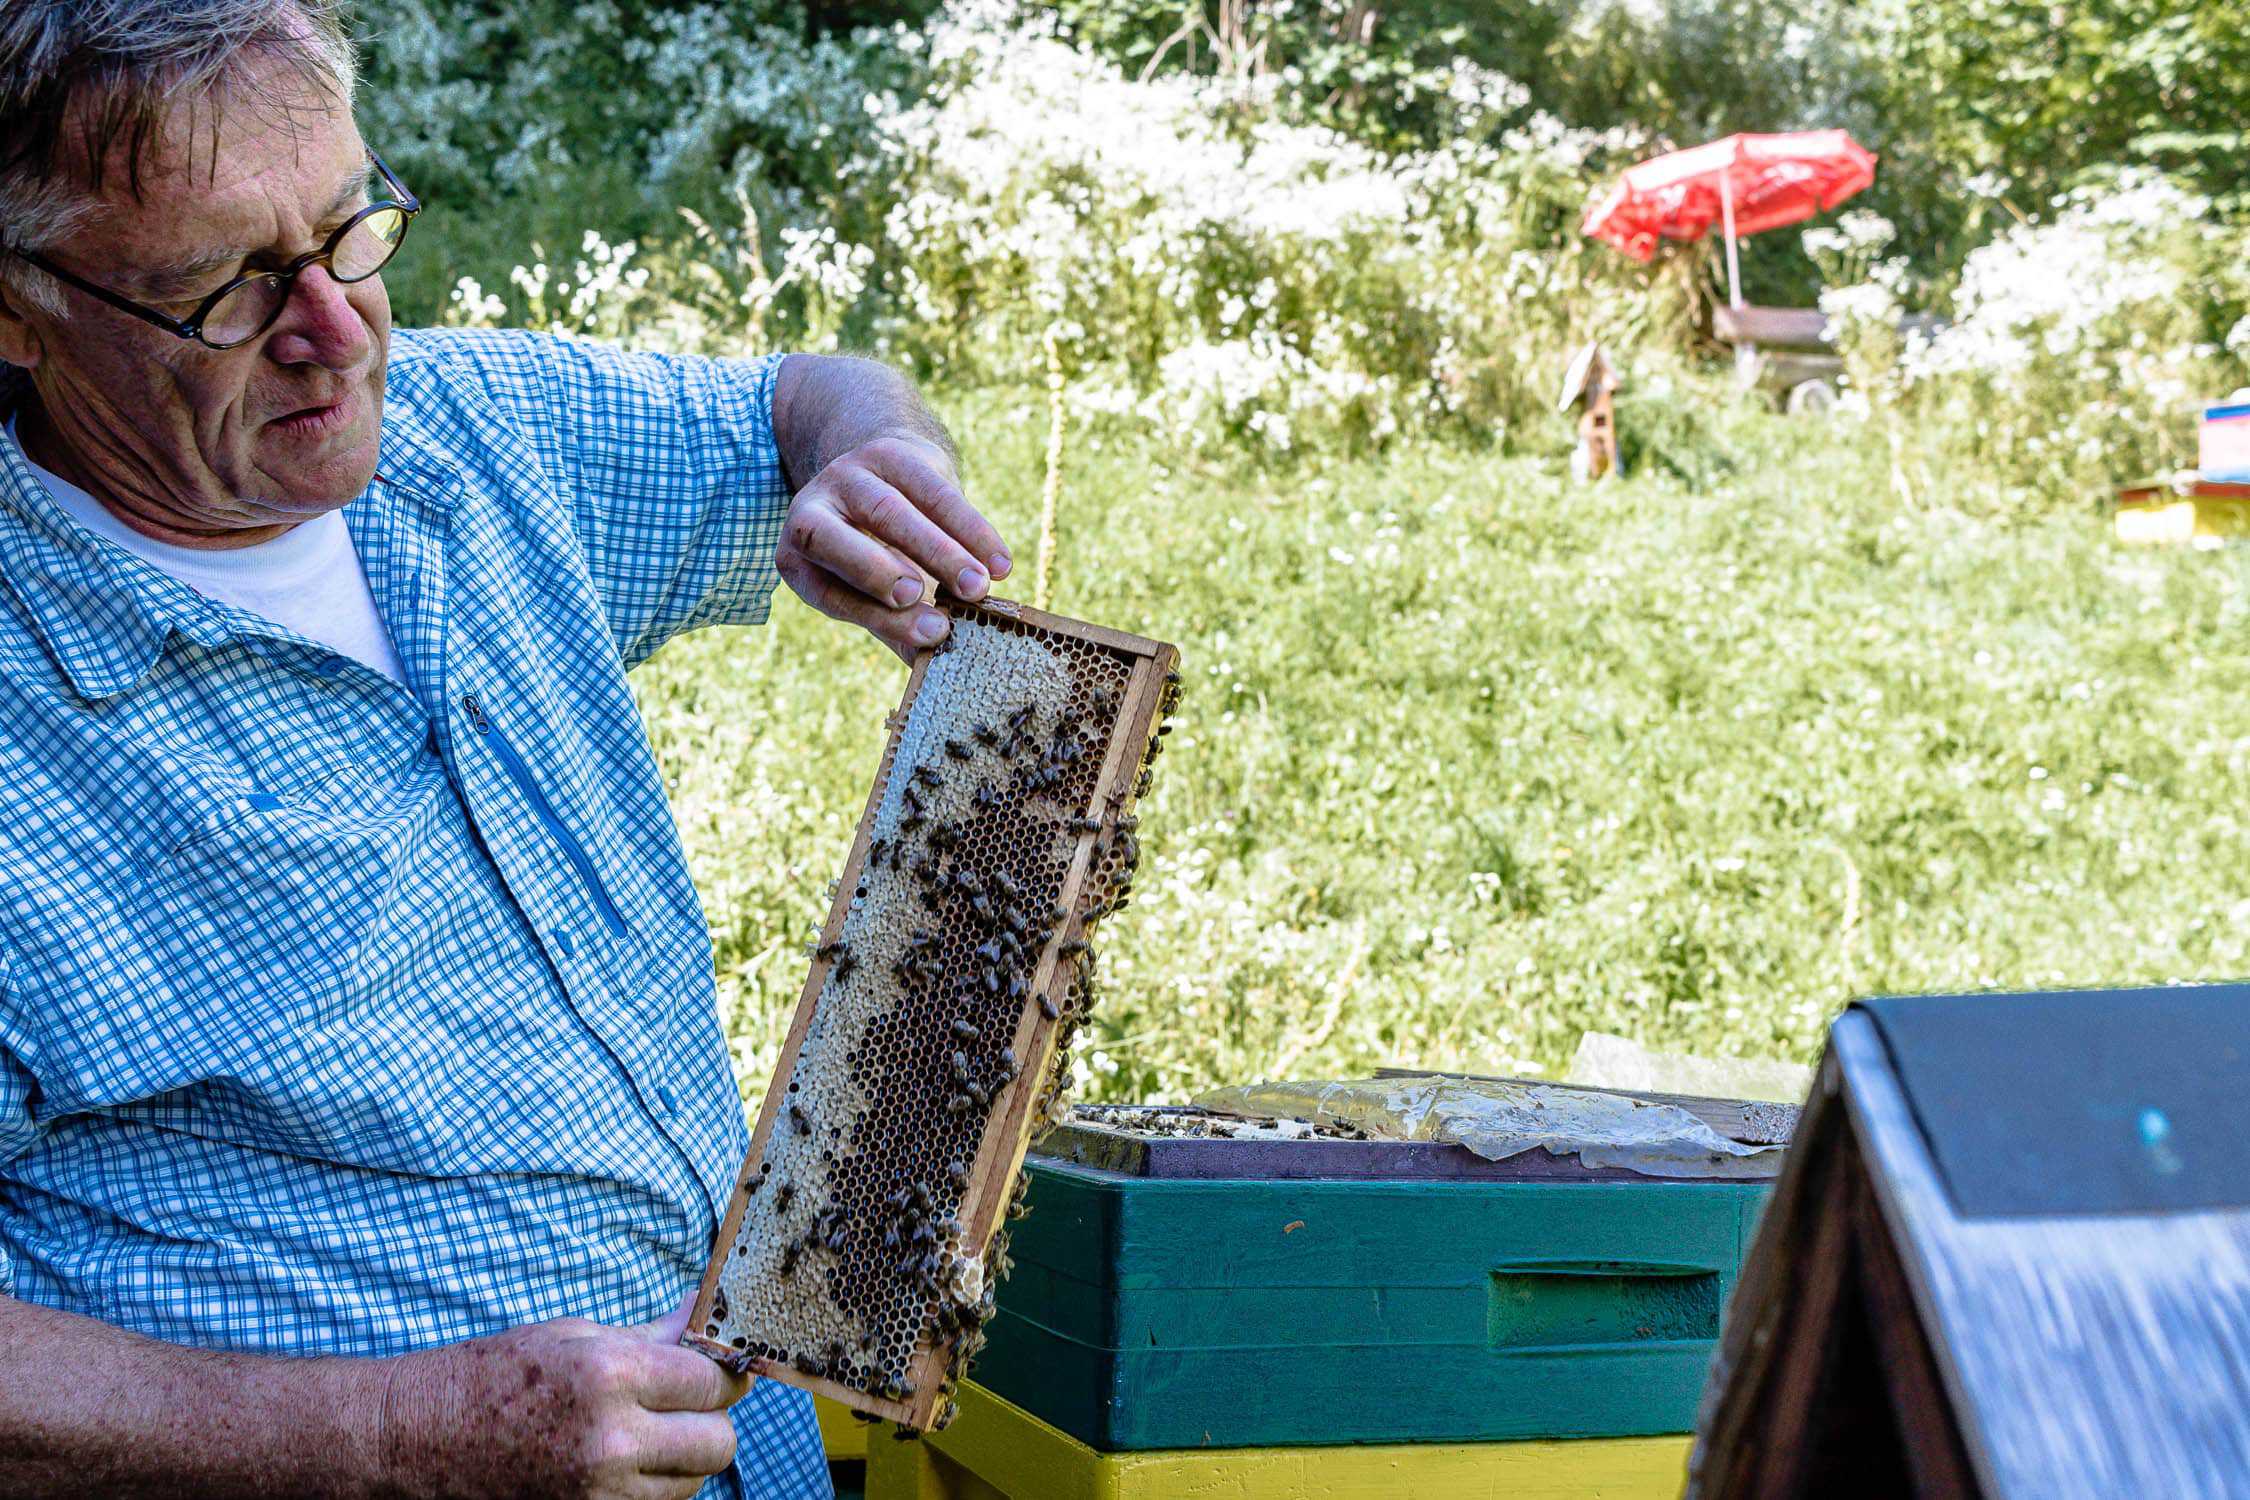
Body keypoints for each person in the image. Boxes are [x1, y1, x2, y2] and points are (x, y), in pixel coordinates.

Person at [0, 2, 1011, 1495]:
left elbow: (801, 395)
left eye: (351, 228)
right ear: (19, 307)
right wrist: (383, 1442)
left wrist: (877, 454)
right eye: (225, 284)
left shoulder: (482, 433)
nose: (337, 333)